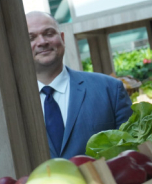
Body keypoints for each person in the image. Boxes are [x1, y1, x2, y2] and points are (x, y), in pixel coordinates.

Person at [26, 11, 132, 159]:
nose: (42, 42)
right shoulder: (13, 105)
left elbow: (132, 152)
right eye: (31, 38)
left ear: (62, 38)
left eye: (49, 33)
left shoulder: (110, 89)